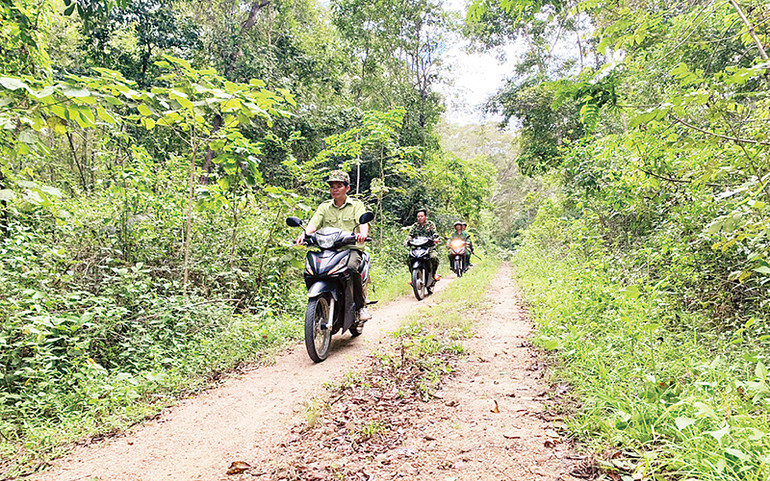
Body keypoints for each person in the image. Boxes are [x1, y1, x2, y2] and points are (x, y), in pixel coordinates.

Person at [296, 170, 372, 321]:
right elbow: (314, 224)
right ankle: (319, 303)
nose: (335, 189)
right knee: (312, 270)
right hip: (329, 250)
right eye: (332, 186)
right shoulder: (324, 207)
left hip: (350, 250)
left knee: (351, 267)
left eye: (339, 186)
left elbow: (363, 223)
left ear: (347, 188)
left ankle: (360, 306)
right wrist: (304, 235)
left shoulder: (356, 205)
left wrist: (363, 234)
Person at [404, 208, 440, 279]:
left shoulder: (430, 224)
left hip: (429, 247)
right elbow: (410, 235)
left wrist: (435, 239)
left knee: (434, 257)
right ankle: (413, 276)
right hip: (417, 248)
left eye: (421, 216)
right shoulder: (415, 226)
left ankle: (434, 274)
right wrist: (407, 241)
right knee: (409, 259)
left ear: (426, 217)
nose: (420, 218)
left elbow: (435, 233)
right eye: (418, 216)